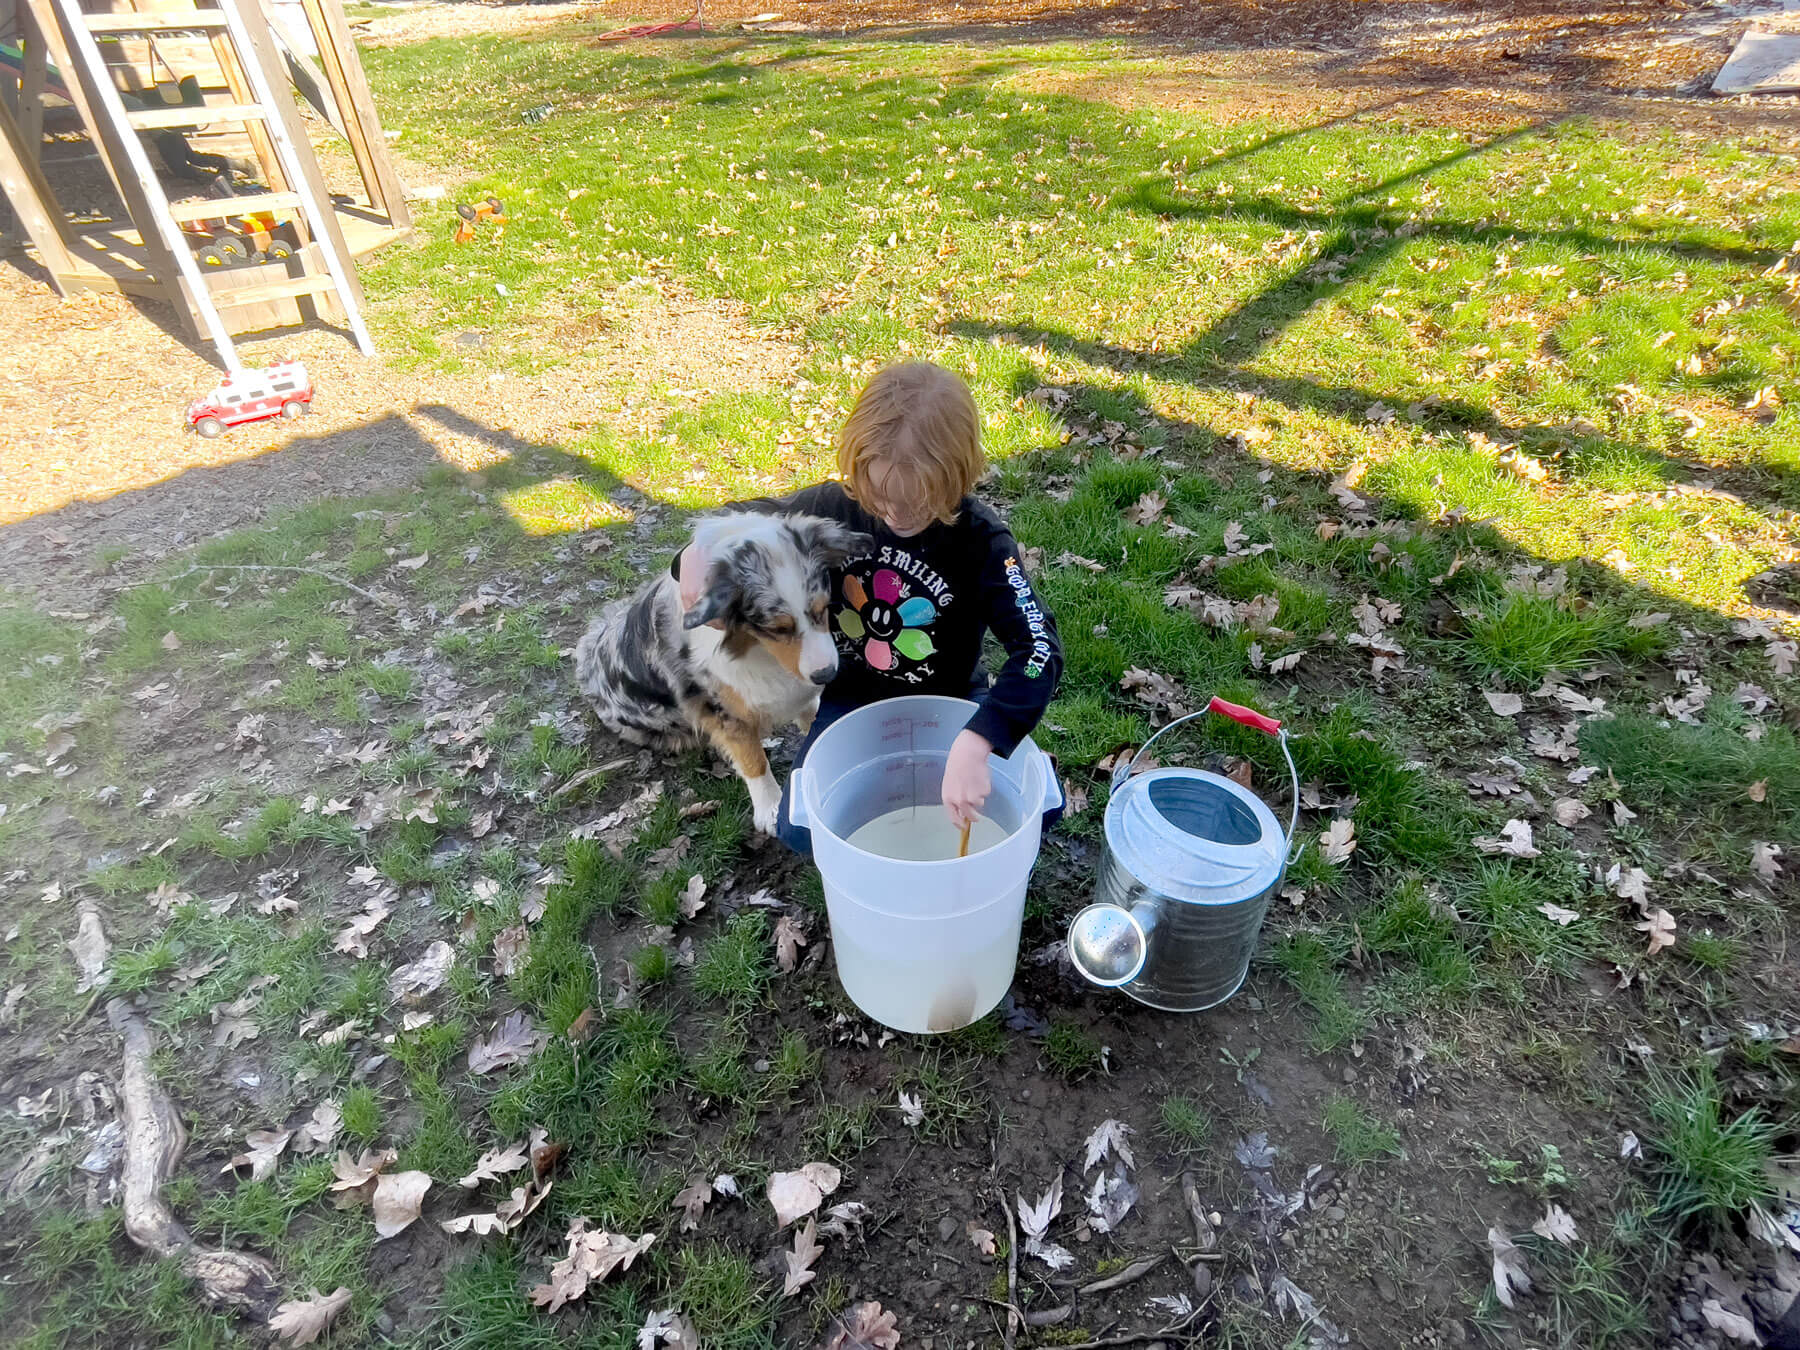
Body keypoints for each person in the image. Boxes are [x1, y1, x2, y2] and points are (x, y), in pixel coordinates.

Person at [672, 361, 1063, 854]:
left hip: (951, 701)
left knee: (1040, 811)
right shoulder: (832, 506)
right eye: (878, 497)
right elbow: (743, 516)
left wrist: (982, 736)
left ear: (958, 476)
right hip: (853, 698)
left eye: (918, 502)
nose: (896, 514)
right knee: (800, 830)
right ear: (857, 469)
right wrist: (694, 555)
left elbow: (1039, 648)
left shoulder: (983, 543)